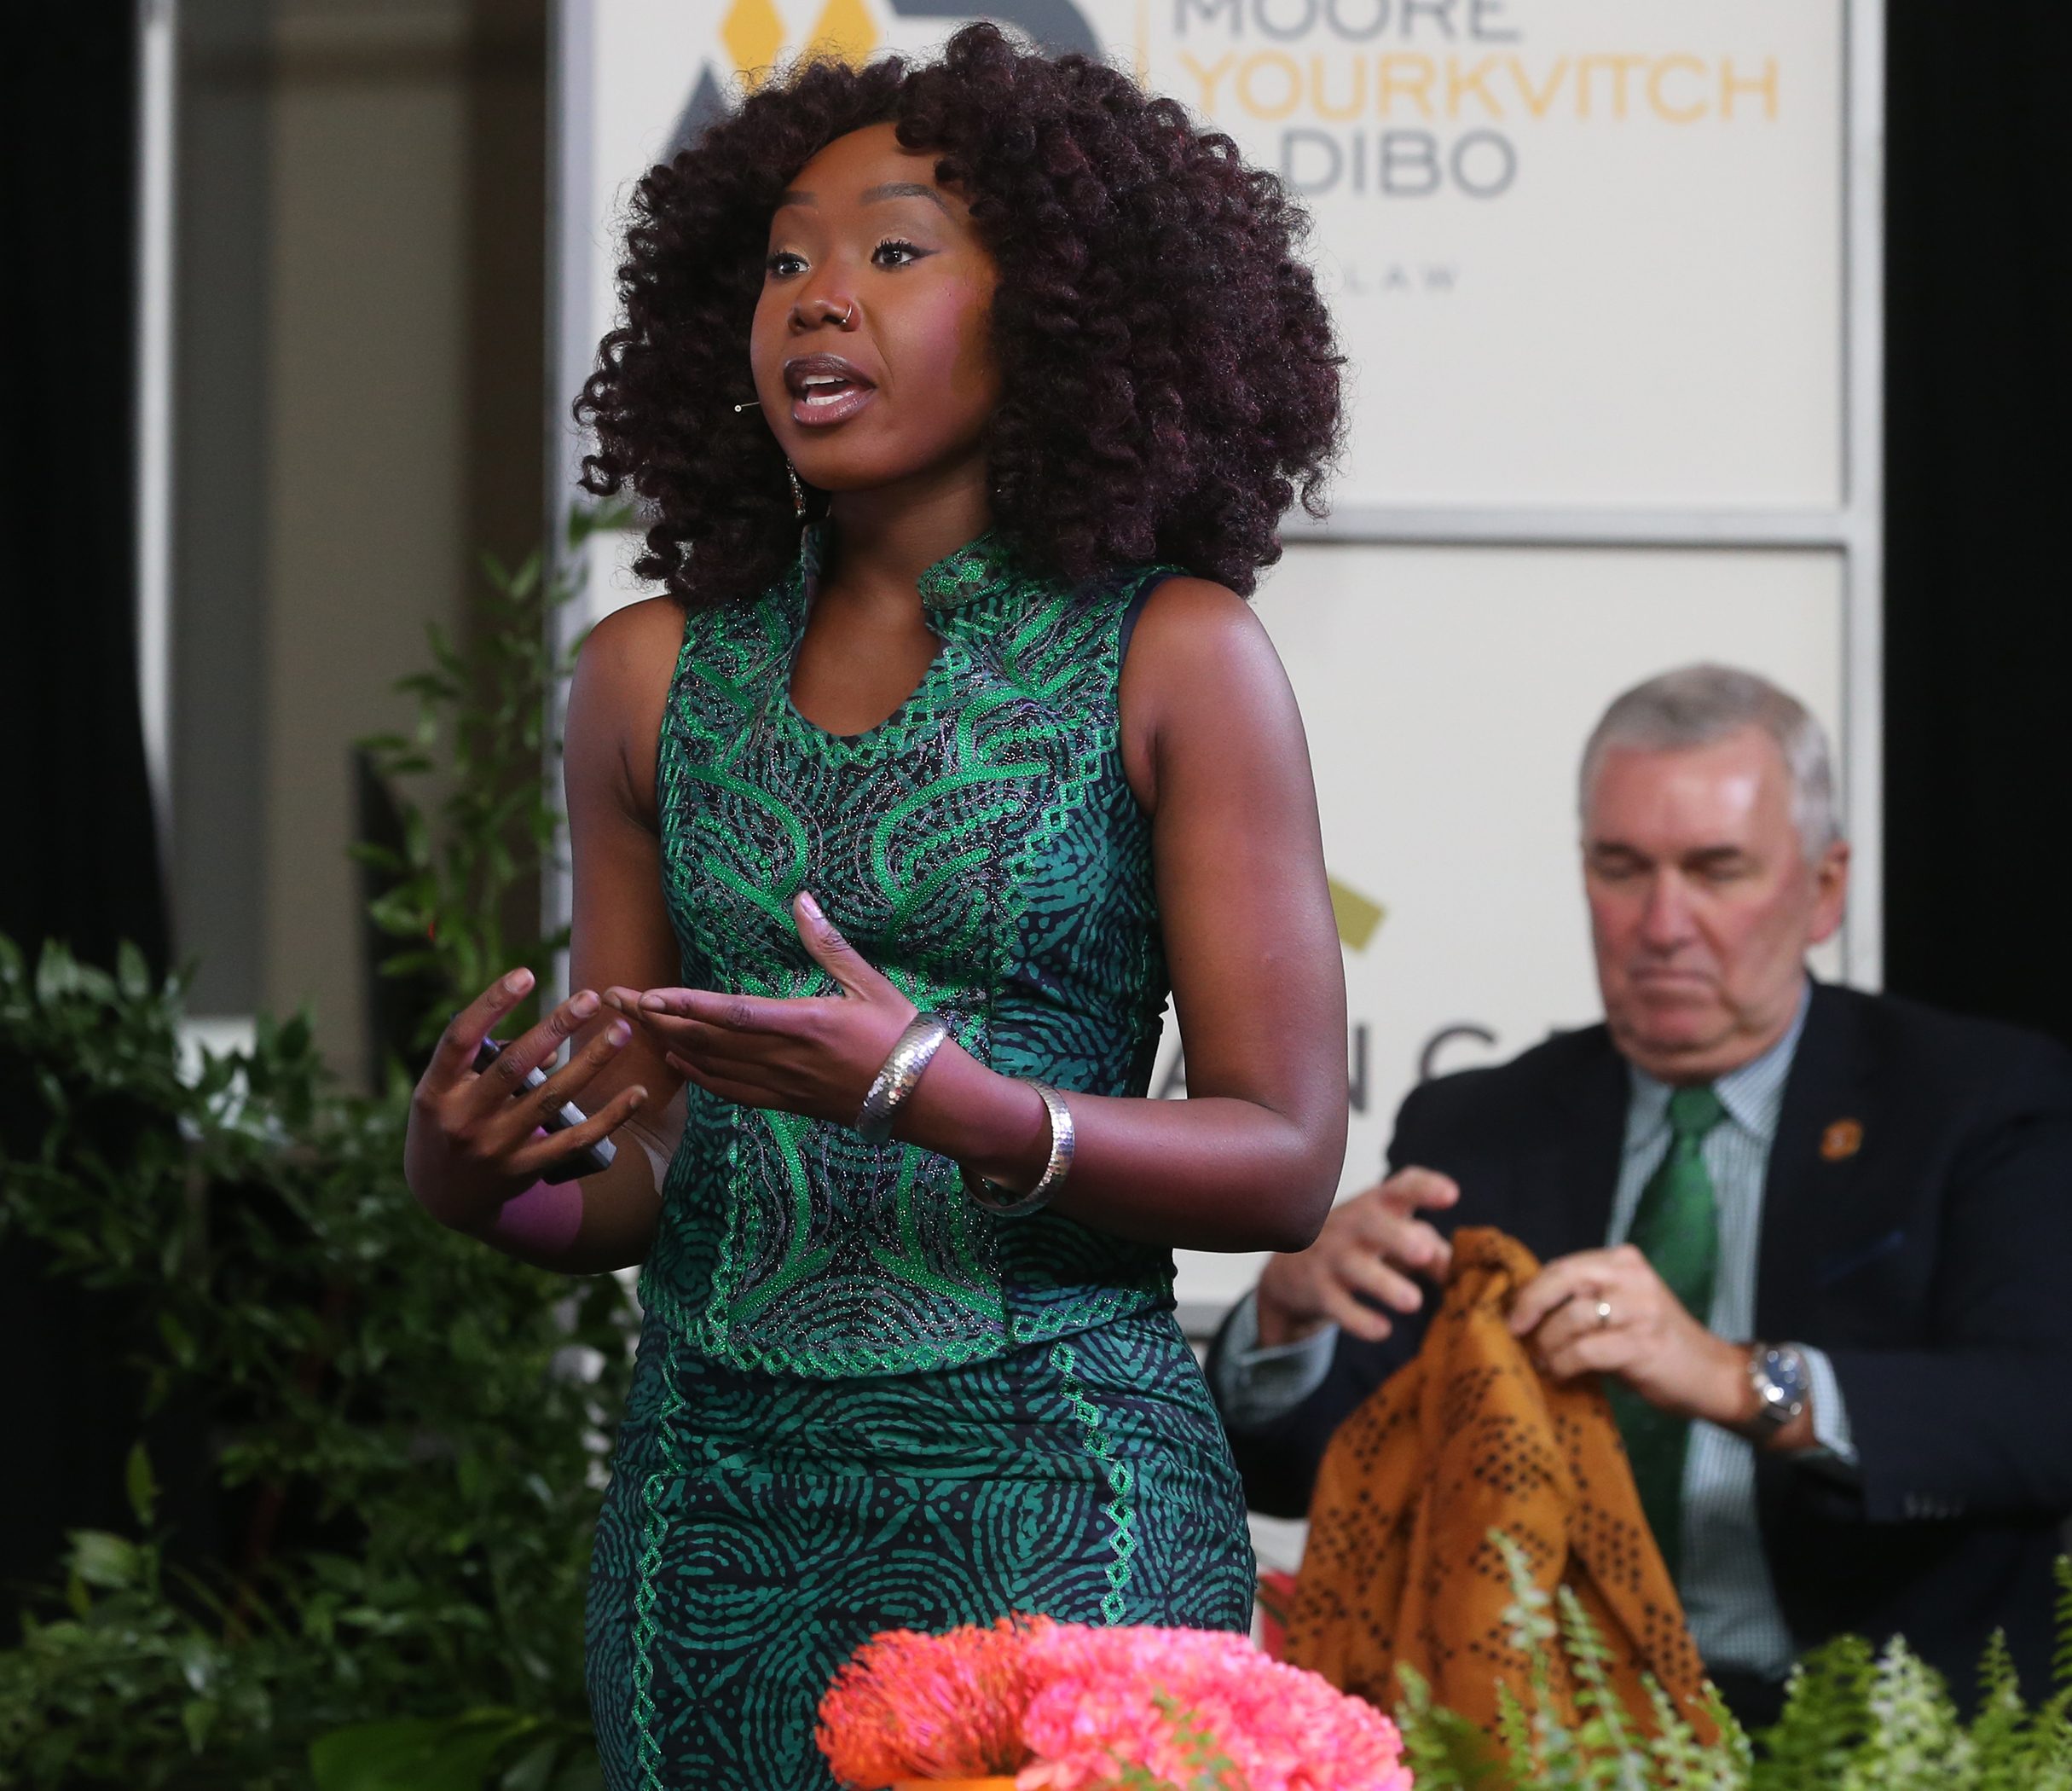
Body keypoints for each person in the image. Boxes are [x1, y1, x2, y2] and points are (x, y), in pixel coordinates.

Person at [403, 27, 1350, 1790]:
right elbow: (642, 1161)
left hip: (1058, 1499)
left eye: (892, 251)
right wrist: (483, 1185)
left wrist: (952, 1103)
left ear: (1056, 309)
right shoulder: (643, 679)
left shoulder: (1178, 659)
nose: (817, 302)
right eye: (782, 262)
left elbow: (1286, 1158)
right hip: (709, 1511)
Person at [1210, 664, 2072, 1726]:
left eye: (1716, 871)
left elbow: (2038, 1415)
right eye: (1623, 868)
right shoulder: (1479, 1127)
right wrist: (1287, 1320)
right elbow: (1304, 1477)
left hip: (1879, 1736)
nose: (1662, 924)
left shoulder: (1976, 1100)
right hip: (1544, 1734)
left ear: (1826, 888)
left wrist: (1731, 1379)